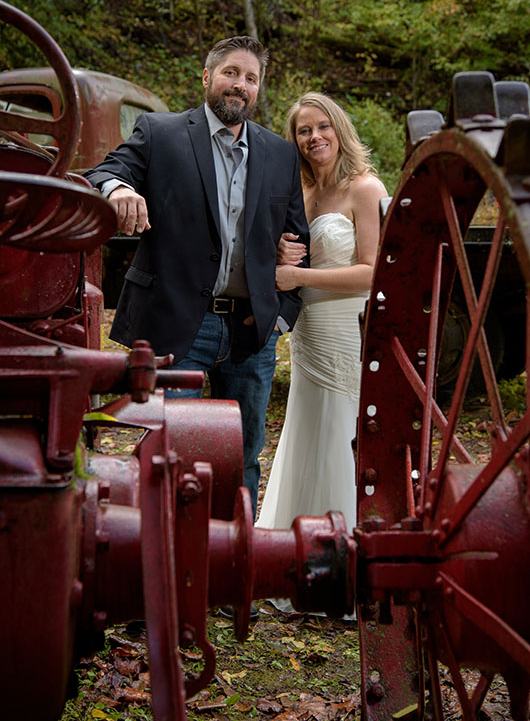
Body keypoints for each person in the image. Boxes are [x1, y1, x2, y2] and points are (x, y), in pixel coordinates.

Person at [84, 36, 309, 522]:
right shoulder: (161, 132)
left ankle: (233, 570)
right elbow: (102, 171)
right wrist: (120, 188)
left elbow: (299, 242)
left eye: (251, 78)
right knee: (168, 451)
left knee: (245, 458)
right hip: (178, 323)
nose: (240, 85)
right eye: (231, 73)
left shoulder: (280, 155)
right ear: (207, 77)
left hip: (253, 331)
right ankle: (163, 567)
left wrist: (281, 318)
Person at [257, 92, 387, 613]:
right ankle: (297, 558)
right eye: (303, 131)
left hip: (345, 328)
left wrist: (296, 274)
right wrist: (283, 254)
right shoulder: (305, 193)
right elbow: (290, 249)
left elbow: (375, 270)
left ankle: (348, 567)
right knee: (306, 426)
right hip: (308, 330)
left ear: (339, 129)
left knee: (340, 431)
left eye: (321, 127)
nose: (314, 138)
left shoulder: (366, 188)